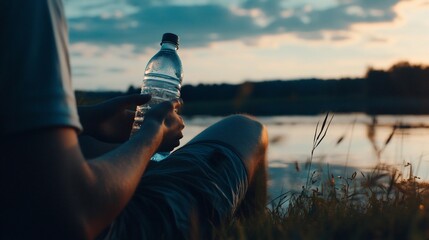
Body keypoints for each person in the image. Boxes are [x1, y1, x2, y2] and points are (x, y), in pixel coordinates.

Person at [0, 0, 268, 239]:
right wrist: (150, 136)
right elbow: (74, 218)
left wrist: (90, 120)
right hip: (107, 227)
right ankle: (254, 232)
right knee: (247, 128)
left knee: (97, 144)